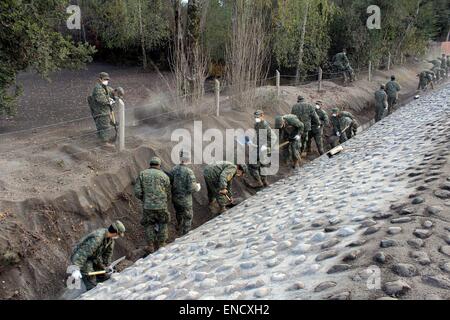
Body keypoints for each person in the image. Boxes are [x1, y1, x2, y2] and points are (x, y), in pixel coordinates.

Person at [70, 221, 125, 291]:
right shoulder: (97, 238)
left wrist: (108, 266)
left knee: (103, 273)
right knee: (91, 279)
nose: (118, 236)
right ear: (115, 233)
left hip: (94, 257)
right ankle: (90, 288)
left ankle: (99, 281)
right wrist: (76, 268)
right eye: (118, 234)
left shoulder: (110, 240)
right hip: (81, 258)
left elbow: (107, 254)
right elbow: (83, 253)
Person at [134, 157, 171, 254]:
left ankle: (150, 245)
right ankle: (162, 244)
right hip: (161, 205)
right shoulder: (164, 176)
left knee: (148, 224)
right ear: (159, 165)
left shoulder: (142, 174)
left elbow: (137, 191)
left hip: (148, 206)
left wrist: (144, 199)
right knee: (163, 222)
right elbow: (168, 191)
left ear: (150, 164)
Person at [169, 151, 201, 236]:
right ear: (188, 159)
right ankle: (185, 235)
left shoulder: (173, 169)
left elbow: (170, 182)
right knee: (188, 217)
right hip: (185, 200)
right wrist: (197, 187)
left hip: (175, 198)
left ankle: (179, 224)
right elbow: (192, 188)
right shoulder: (189, 172)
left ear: (180, 159)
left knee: (178, 212)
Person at [87, 72, 116, 147]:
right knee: (104, 126)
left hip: (105, 111)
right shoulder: (97, 88)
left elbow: (112, 92)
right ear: (99, 79)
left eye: (107, 79)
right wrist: (111, 101)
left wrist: (116, 92)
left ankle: (101, 139)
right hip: (100, 111)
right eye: (104, 79)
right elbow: (101, 99)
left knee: (104, 125)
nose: (106, 81)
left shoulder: (105, 87)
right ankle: (104, 143)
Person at [248, 110, 273, 188]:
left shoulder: (266, 125)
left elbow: (272, 138)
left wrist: (266, 145)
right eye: (255, 117)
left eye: (258, 117)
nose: (256, 118)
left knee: (254, 164)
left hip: (265, 148)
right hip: (258, 147)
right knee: (261, 164)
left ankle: (260, 182)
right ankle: (263, 181)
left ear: (262, 116)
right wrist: (252, 143)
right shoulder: (256, 125)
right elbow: (257, 136)